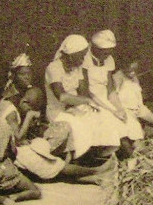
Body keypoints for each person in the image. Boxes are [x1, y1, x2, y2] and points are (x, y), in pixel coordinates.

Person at [45, 34, 126, 162]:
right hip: (58, 112)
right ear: (71, 54)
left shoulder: (76, 68)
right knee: (80, 126)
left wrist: (86, 104)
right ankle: (78, 161)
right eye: (81, 56)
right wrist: (87, 101)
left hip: (74, 107)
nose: (83, 59)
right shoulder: (54, 68)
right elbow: (62, 96)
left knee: (102, 118)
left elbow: (83, 92)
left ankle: (99, 157)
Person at [84, 30, 143, 142]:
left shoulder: (109, 60)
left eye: (109, 53)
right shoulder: (85, 59)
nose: (107, 56)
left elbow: (110, 90)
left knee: (130, 121)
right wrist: (111, 111)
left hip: (106, 99)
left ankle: (137, 151)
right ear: (95, 49)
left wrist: (119, 108)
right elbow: (87, 91)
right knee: (111, 122)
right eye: (104, 53)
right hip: (91, 101)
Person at [113, 57, 153, 138]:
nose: (133, 73)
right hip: (126, 110)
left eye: (135, 70)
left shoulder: (133, 76)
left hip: (139, 108)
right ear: (123, 68)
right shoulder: (117, 77)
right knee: (139, 134)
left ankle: (150, 135)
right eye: (130, 70)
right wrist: (121, 111)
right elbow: (114, 96)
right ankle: (143, 136)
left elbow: (137, 94)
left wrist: (141, 107)